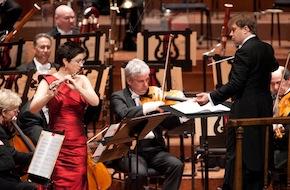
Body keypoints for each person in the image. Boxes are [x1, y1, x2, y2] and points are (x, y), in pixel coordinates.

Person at [196, 14, 279, 190]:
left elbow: (236, 84)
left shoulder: (243, 51)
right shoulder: (267, 48)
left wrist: (211, 96)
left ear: (246, 29)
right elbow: (272, 67)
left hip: (245, 109)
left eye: (234, 30)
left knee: (241, 154)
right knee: (259, 152)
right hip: (263, 107)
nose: (231, 35)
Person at [30, 41, 99, 189]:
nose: (82, 64)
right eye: (78, 61)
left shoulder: (82, 79)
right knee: (59, 180)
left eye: (83, 60)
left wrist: (78, 88)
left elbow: (95, 102)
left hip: (78, 141)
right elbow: (33, 108)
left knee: (79, 178)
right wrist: (48, 95)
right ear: (65, 61)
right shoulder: (48, 80)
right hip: (57, 142)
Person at [110, 58, 184, 190]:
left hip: (154, 150)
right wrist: (150, 106)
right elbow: (125, 114)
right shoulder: (118, 97)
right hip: (130, 151)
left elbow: (166, 123)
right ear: (129, 81)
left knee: (176, 165)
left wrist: (183, 115)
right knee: (139, 173)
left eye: (147, 80)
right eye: (141, 81)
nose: (146, 85)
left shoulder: (155, 95)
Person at [0, 89, 37, 190]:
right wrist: (34, 156)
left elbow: (9, 152)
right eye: (15, 111)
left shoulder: (3, 129)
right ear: (4, 112)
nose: (17, 113)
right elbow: (9, 157)